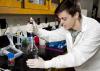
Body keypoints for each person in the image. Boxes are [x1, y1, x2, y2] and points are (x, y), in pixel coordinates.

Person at [26, 0, 100, 71]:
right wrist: (36, 30)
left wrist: (45, 64)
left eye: (64, 19)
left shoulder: (94, 28)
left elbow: (77, 57)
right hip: (78, 68)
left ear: (76, 15)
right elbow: (51, 35)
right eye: (60, 19)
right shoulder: (68, 27)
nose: (61, 23)